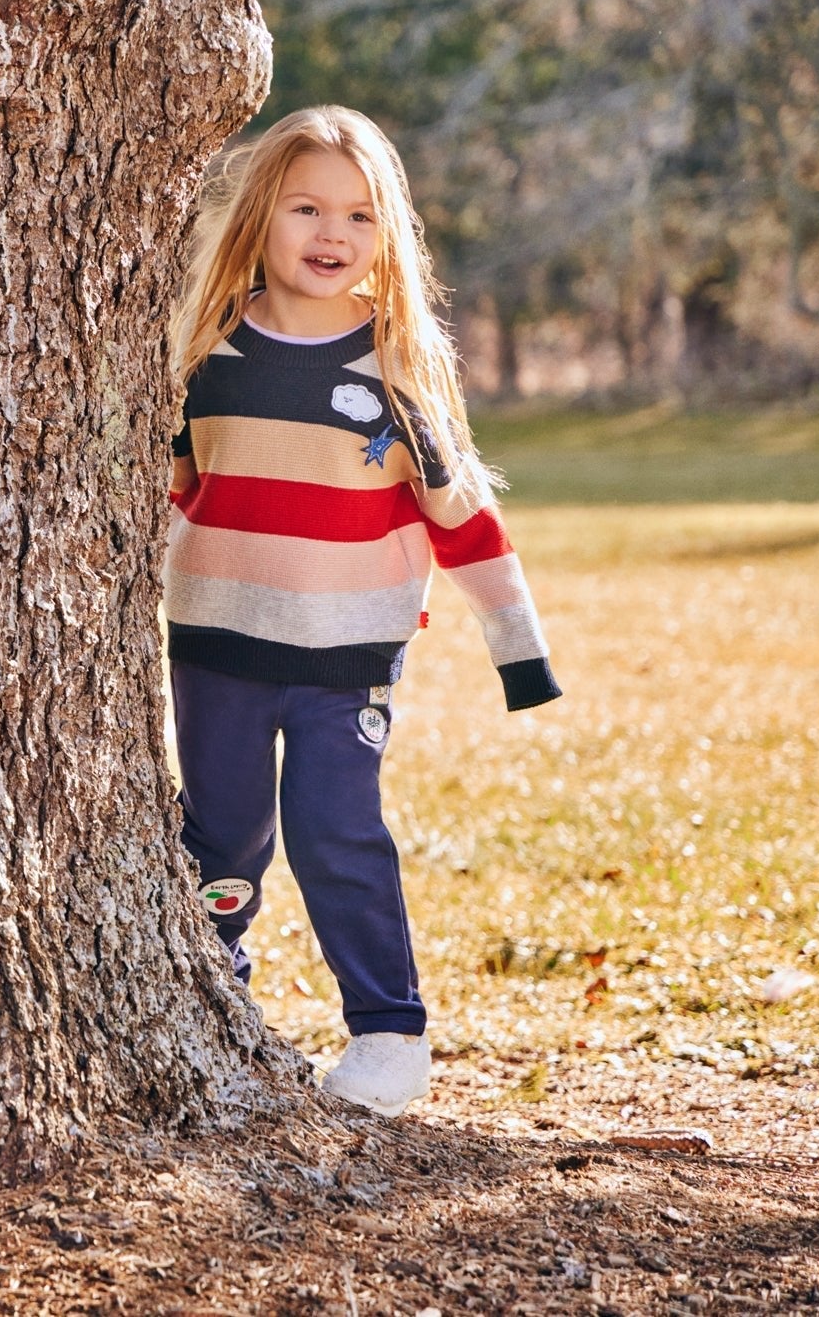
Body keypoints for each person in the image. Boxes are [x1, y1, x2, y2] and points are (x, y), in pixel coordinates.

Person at [164, 106, 560, 1117]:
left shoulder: (393, 370)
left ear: (387, 235)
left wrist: (517, 652)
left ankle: (387, 1032)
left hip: (346, 655)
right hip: (213, 647)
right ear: (260, 215)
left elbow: (460, 517)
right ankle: (216, 1008)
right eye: (304, 207)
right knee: (219, 839)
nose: (328, 233)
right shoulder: (203, 352)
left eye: (357, 215)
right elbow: (167, 495)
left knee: (334, 831)